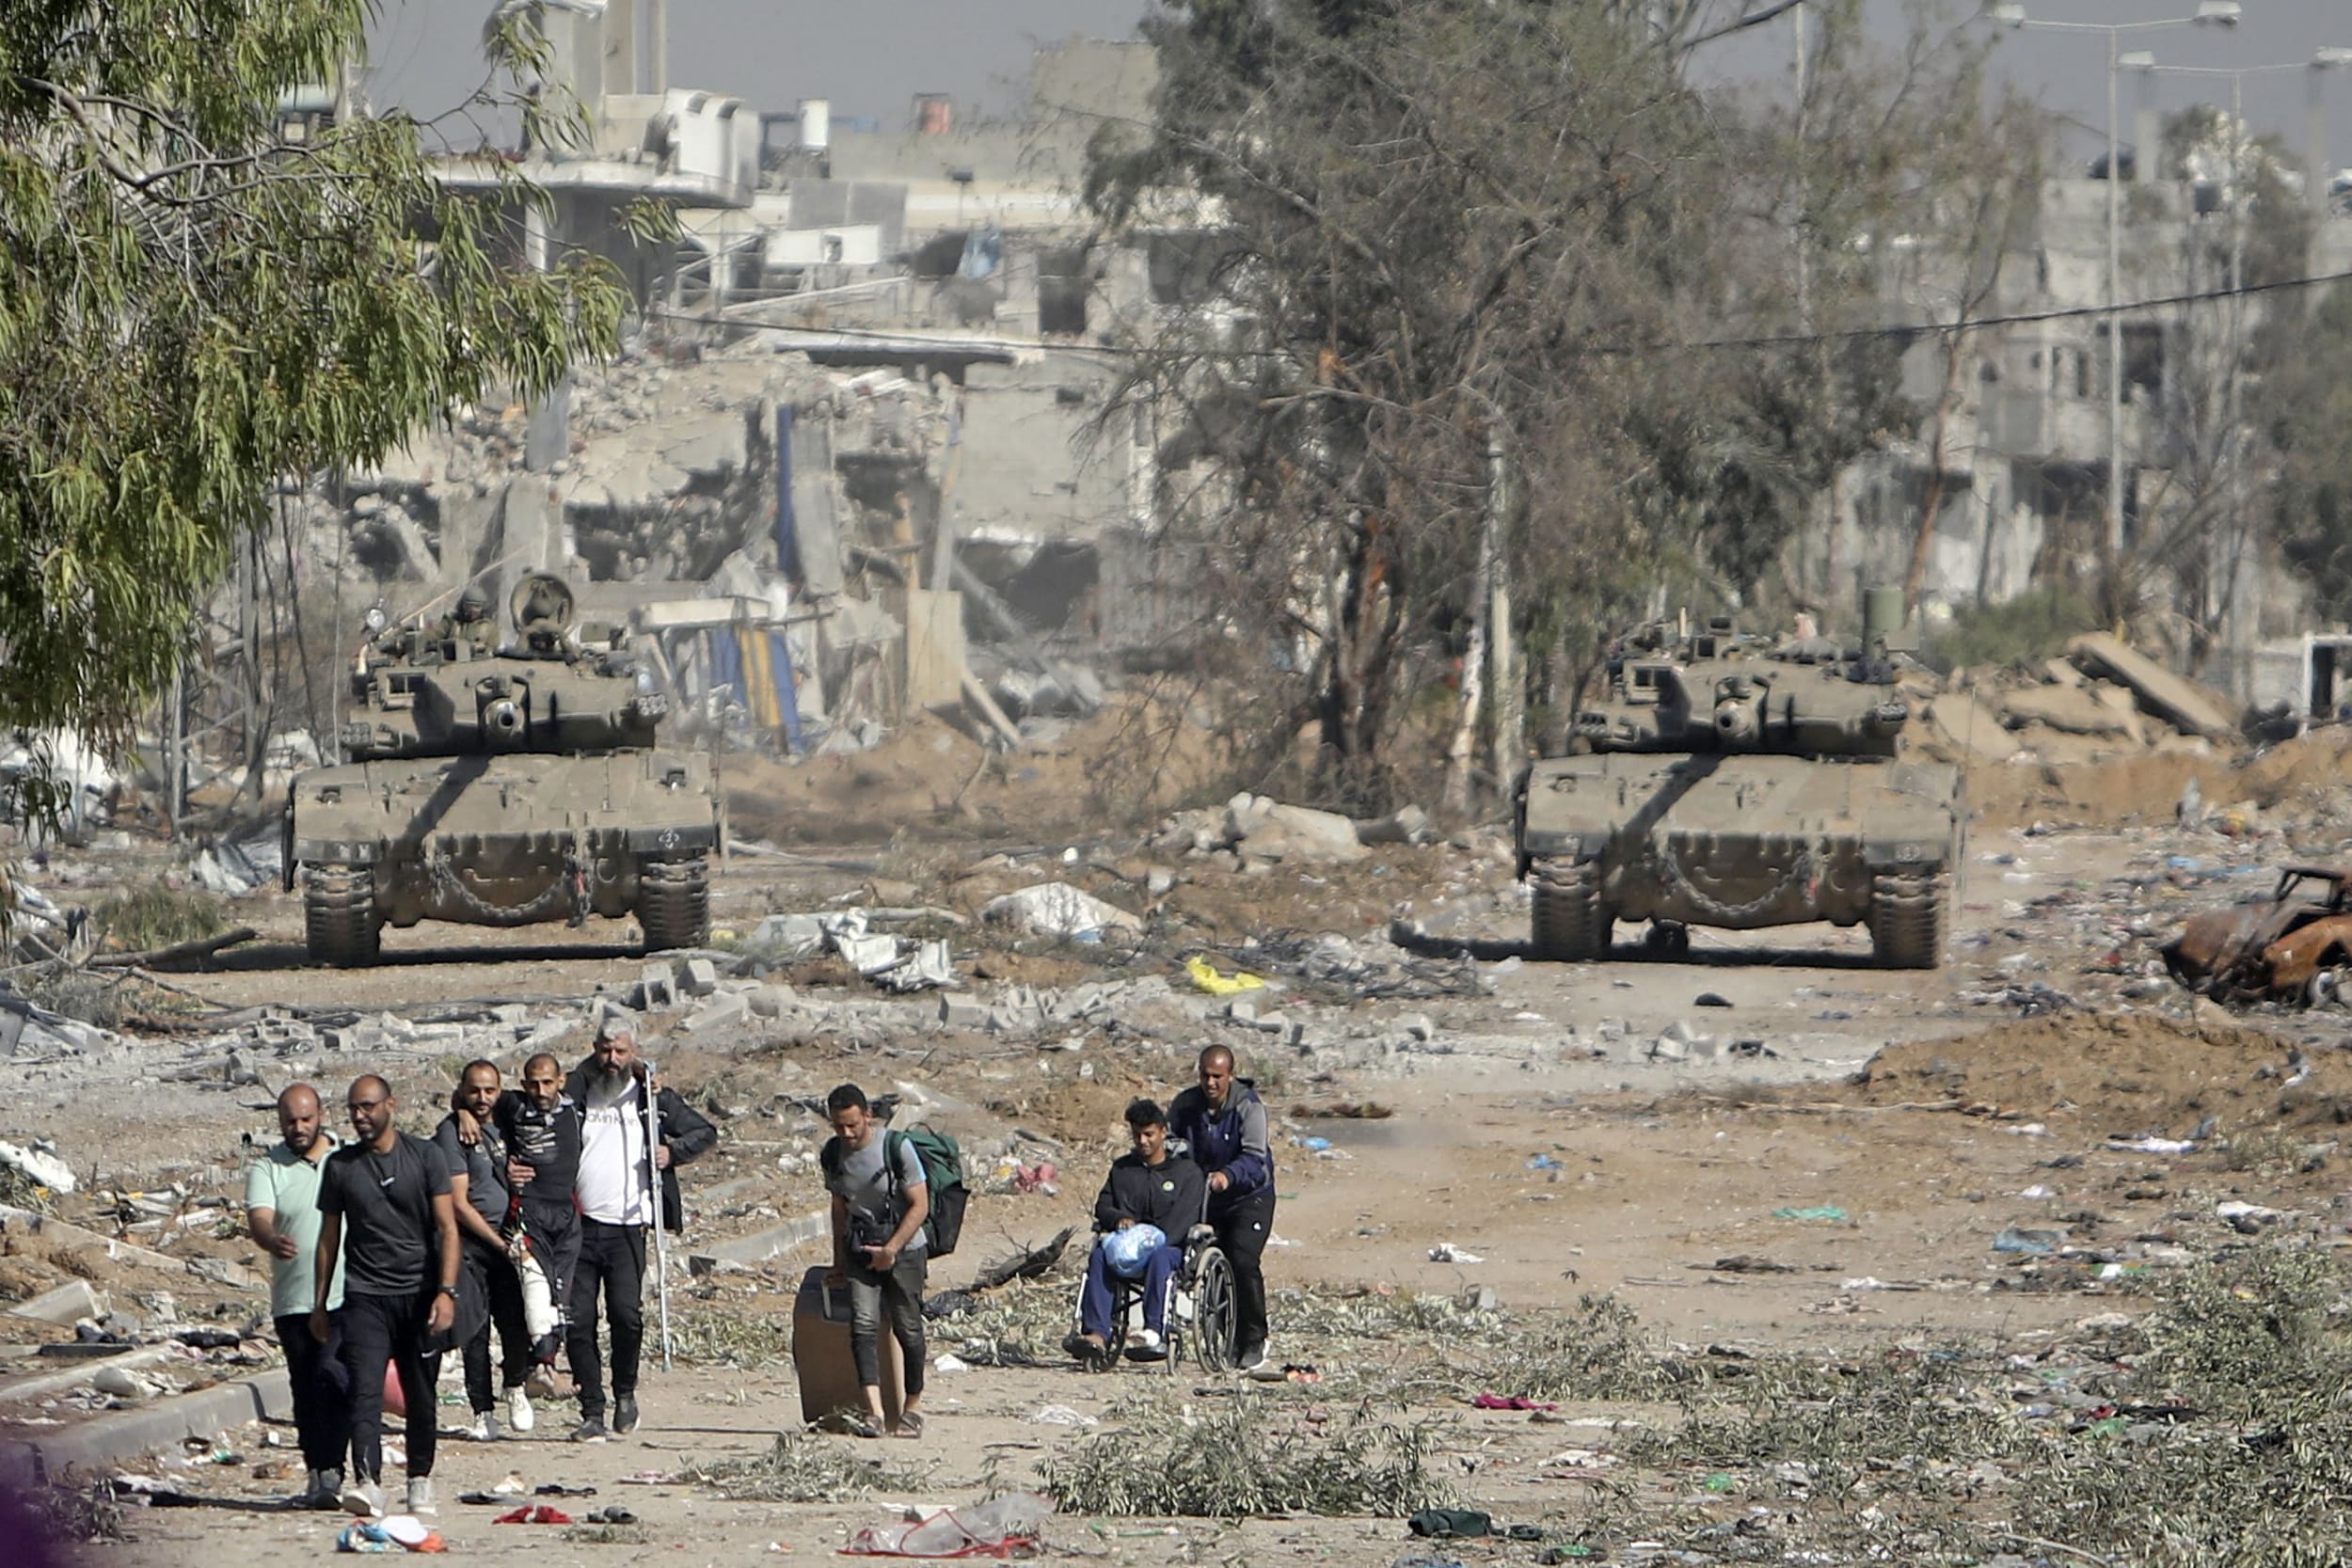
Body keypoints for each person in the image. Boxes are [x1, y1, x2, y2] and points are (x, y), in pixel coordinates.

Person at [312, 1075, 460, 1520]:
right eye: (353, 1108)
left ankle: (419, 1479)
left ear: (390, 1105)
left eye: (368, 1107)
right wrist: (320, 1303)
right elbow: (328, 1237)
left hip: (417, 1293)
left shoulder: (426, 1156)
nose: (360, 1116)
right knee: (364, 1390)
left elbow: (448, 1228)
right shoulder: (340, 1167)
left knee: (420, 1392)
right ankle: (368, 1483)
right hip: (364, 1295)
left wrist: (446, 1291)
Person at [562, 1012, 715, 1440]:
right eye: (605, 1050)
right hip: (580, 1225)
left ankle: (624, 1392)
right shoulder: (579, 1092)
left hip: (630, 1226)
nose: (612, 1059)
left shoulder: (653, 1099)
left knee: (627, 1316)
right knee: (578, 1322)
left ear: (635, 1053)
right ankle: (592, 1409)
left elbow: (705, 1132)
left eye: (621, 1051)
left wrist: (672, 1152)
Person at [245, 1084, 349, 1510]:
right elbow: (259, 1219)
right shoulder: (268, 1168)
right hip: (294, 1301)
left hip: (345, 1295)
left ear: (320, 1114)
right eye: (291, 1121)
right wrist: (272, 1240)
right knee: (306, 1388)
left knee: (337, 1378)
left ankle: (337, 1468)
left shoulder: (346, 1159)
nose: (299, 1128)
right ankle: (317, 1471)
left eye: (307, 1119)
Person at [427, 1061, 536, 1439]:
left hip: (509, 1236)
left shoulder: (505, 1121)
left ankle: (516, 1386)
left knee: (516, 1321)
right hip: (472, 1242)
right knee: (475, 1327)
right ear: (463, 1090)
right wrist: (496, 1242)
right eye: (474, 1091)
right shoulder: (452, 1133)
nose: (482, 1098)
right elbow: (458, 1202)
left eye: (490, 1090)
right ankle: (482, 1409)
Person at [820, 1083, 930, 1439]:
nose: (847, 1133)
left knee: (908, 1328)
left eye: (853, 1124)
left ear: (868, 1114)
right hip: (859, 1249)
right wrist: (838, 1261)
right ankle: (875, 1413)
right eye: (839, 1126)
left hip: (905, 1250)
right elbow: (839, 1208)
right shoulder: (833, 1154)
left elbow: (920, 1205)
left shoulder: (897, 1148)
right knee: (863, 1327)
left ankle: (913, 1407)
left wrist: (892, 1250)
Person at [1067, 1098, 1206, 1364]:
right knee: (1098, 1256)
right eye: (1137, 1135)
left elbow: (1184, 1218)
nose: (1143, 1141)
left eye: (1149, 1134)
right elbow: (1103, 1205)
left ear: (1164, 1132)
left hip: (1169, 1249)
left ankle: (1154, 1331)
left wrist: (1154, 1240)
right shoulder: (1123, 1169)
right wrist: (1119, 1218)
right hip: (1125, 1249)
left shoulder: (1186, 1173)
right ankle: (1096, 1333)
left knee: (1160, 1257)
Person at [1168, 1045, 1277, 1370]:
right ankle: (1226, 1339)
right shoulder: (1186, 1104)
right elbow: (1172, 1140)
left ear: (1230, 1075)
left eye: (1217, 1076)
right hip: (1204, 1195)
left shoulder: (1248, 1106)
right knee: (1201, 1259)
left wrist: (1228, 1176)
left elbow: (1255, 1158)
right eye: (1205, 1075)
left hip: (1249, 1196)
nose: (1210, 1082)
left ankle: (1255, 1338)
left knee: (1242, 1259)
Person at [433, 584, 495, 657]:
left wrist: (479, 648)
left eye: (477, 606)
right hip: (450, 663)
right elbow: (432, 635)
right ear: (463, 606)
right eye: (469, 606)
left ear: (483, 608)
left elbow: (494, 648)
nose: (473, 610)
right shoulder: (451, 622)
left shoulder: (489, 627)